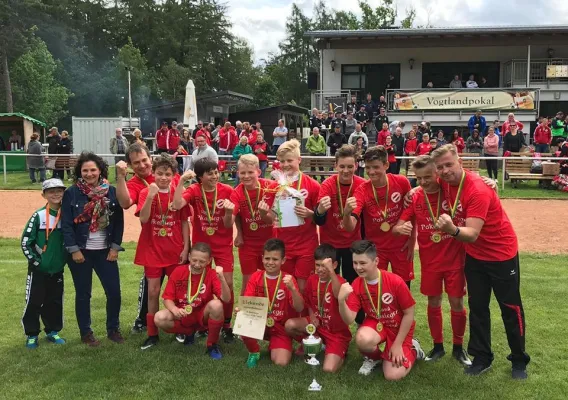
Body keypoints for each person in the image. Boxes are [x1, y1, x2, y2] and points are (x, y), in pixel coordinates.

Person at [431, 144, 530, 379]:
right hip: (475, 255)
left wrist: (451, 229)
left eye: (449, 165)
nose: (445, 171)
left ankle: (519, 360)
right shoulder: (444, 180)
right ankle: (482, 357)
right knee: (477, 307)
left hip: (501, 254)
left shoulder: (477, 190)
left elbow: (472, 233)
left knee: (510, 308)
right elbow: (424, 182)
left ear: (460, 162)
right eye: (440, 167)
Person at [393, 156, 471, 366]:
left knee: (457, 302)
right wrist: (401, 228)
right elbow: (398, 225)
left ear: (437, 173)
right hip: (430, 262)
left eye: (428, 176)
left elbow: (469, 182)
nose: (424, 182)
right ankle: (438, 346)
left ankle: (458, 347)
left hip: (455, 259)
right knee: (433, 301)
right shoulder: (416, 196)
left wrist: (489, 181)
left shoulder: (449, 191)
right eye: (419, 178)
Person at [115, 144, 181, 335]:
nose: (142, 165)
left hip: (172, 241)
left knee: (178, 284)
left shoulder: (166, 172)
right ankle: (144, 320)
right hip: (152, 243)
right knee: (150, 287)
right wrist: (120, 177)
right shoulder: (136, 184)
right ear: (130, 165)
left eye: (144, 160)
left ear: (150, 158)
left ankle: (182, 323)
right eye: (136, 163)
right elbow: (125, 202)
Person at [61, 152, 124, 346]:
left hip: (105, 251)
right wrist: (73, 249)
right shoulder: (72, 193)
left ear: (100, 171)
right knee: (83, 294)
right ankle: (86, 333)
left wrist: (114, 247)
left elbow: (118, 222)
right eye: (85, 170)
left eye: (93, 170)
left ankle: (113, 329)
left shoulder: (111, 191)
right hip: (81, 251)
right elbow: (67, 224)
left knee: (114, 292)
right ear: (80, 172)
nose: (89, 174)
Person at [338, 240, 425, 379]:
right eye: (355, 263)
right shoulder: (357, 283)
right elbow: (349, 319)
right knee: (362, 338)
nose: (358, 267)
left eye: (363, 263)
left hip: (398, 326)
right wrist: (341, 301)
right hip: (376, 323)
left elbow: (409, 313)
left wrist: (397, 344)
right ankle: (375, 358)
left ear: (376, 261)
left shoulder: (395, 281)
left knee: (392, 376)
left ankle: (414, 349)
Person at [173, 158, 236, 342]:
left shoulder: (227, 191)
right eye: (210, 173)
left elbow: (227, 223)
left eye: (216, 172)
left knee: (228, 284)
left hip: (223, 246)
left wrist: (229, 212)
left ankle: (226, 324)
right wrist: (181, 181)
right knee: (203, 285)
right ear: (200, 177)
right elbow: (177, 205)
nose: (215, 176)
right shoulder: (194, 190)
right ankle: (204, 321)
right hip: (202, 248)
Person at [135, 155, 191, 350]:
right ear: (153, 173)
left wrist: (186, 247)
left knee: (179, 293)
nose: (163, 178)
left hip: (175, 250)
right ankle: (152, 334)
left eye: (168, 174)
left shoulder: (178, 193)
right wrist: (151, 195)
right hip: (152, 250)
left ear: (174, 175)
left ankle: (181, 329)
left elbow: (184, 221)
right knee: (153, 292)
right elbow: (143, 219)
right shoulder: (145, 192)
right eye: (160, 173)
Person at [342, 146, 415, 286]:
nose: (371, 172)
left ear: (386, 165)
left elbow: (411, 213)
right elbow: (350, 226)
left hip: (401, 246)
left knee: (403, 288)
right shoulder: (362, 190)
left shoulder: (401, 182)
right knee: (377, 289)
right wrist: (346, 214)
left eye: (375, 167)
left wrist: (412, 239)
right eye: (368, 167)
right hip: (376, 249)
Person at [154, 243, 230, 359]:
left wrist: (222, 279)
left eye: (202, 261)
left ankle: (212, 344)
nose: (197, 265)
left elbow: (226, 299)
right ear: (189, 257)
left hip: (202, 314)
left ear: (209, 260)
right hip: (182, 313)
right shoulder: (178, 271)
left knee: (217, 305)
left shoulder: (211, 274)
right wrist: (174, 309)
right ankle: (188, 332)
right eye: (194, 260)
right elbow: (167, 298)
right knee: (159, 317)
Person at [285, 244, 351, 373]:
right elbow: (309, 302)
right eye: (317, 265)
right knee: (289, 325)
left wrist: (331, 272)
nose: (320, 269)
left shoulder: (341, 282)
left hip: (336, 333)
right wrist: (313, 315)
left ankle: (340, 352)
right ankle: (315, 343)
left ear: (335, 265)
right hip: (317, 326)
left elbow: (338, 295)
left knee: (328, 369)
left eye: (324, 266)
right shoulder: (312, 279)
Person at [239, 238, 304, 368]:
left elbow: (300, 307)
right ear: (262, 258)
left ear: (283, 260)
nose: (270, 262)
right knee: (244, 321)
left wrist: (292, 289)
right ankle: (254, 352)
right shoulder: (255, 277)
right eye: (267, 258)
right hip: (261, 322)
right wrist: (242, 309)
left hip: (280, 327)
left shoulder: (288, 280)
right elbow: (248, 302)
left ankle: (277, 344)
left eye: (275, 259)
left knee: (281, 362)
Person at [20, 178, 67, 349]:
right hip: (38, 270)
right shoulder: (38, 216)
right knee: (34, 301)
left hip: (57, 269)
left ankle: (52, 331)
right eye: (51, 191)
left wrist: (63, 261)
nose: (55, 194)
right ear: (44, 195)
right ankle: (32, 334)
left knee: (54, 302)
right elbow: (26, 242)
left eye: (59, 190)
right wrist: (36, 262)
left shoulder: (66, 215)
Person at [223, 154, 277, 293]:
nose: (246, 176)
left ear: (258, 172)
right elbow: (229, 224)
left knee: (271, 278)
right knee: (248, 280)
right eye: (242, 173)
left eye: (250, 172)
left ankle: (271, 310)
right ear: (238, 173)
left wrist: (264, 214)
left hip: (270, 241)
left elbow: (274, 220)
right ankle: (245, 312)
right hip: (248, 244)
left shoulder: (270, 187)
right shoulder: (237, 193)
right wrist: (229, 214)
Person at [273, 139, 320, 292]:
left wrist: (310, 214)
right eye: (282, 161)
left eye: (289, 160)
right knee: (286, 287)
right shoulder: (276, 186)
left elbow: (321, 219)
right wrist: (271, 215)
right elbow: (269, 214)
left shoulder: (312, 185)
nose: (285, 164)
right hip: (283, 244)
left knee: (303, 287)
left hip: (306, 245)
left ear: (299, 160)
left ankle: (304, 316)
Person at [315, 145, 366, 283]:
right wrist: (320, 210)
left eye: (350, 166)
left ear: (356, 166)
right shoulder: (327, 185)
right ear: (335, 165)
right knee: (330, 283)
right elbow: (319, 220)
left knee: (353, 283)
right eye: (342, 166)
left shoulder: (362, 185)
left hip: (353, 243)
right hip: (330, 244)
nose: (346, 170)